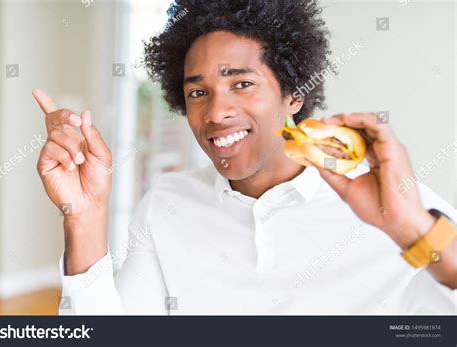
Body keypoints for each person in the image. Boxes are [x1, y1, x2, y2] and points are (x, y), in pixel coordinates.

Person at [32, 0, 456, 315]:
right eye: (198, 92)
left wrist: (410, 227)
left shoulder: (403, 211)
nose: (216, 113)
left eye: (241, 84)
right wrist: (84, 216)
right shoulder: (166, 201)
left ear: (293, 94)